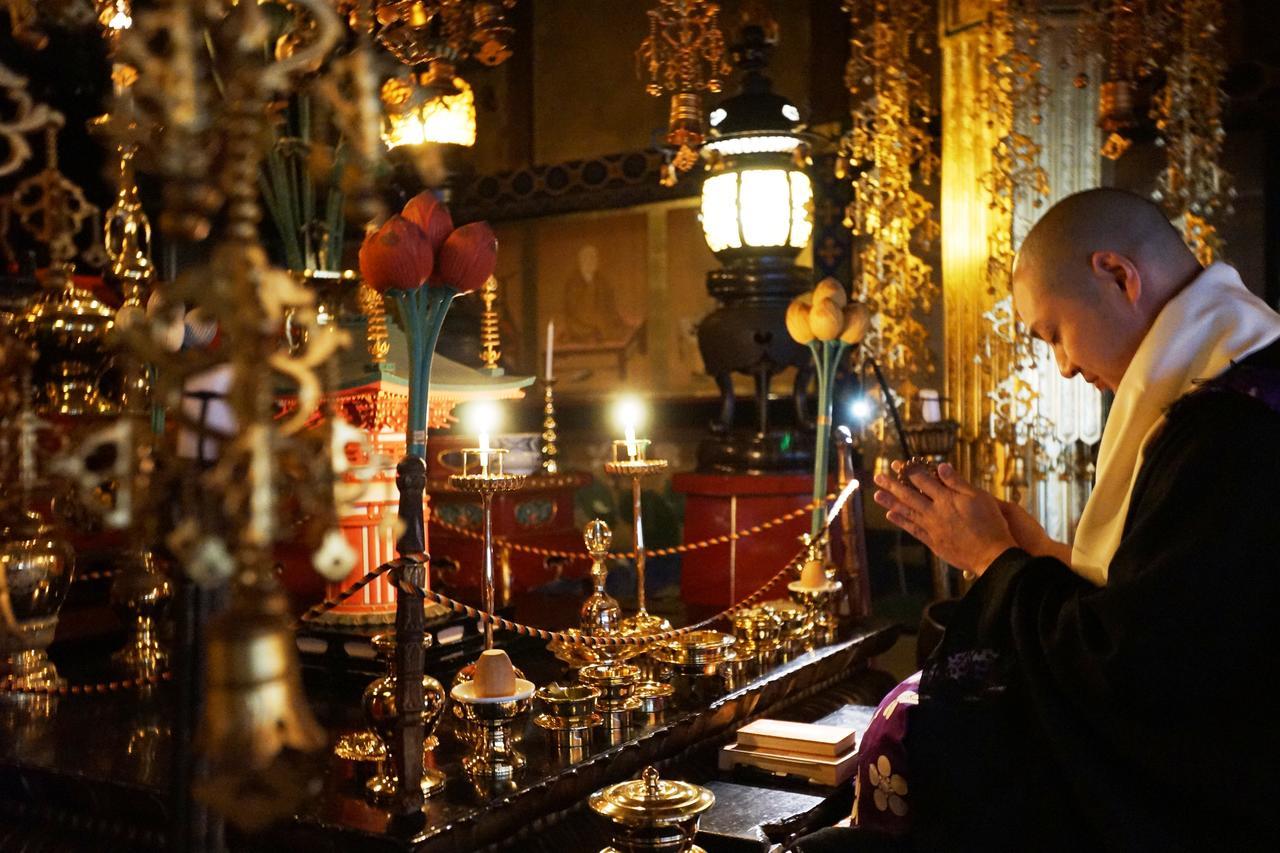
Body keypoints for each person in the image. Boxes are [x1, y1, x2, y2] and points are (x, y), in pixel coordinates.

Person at [797, 188, 1280, 852]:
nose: (1064, 364)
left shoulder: (1231, 428)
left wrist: (996, 565)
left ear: (1118, 275)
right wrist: (1043, 557)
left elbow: (1136, 675)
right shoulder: (1236, 383)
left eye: (1055, 332)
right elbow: (1159, 609)